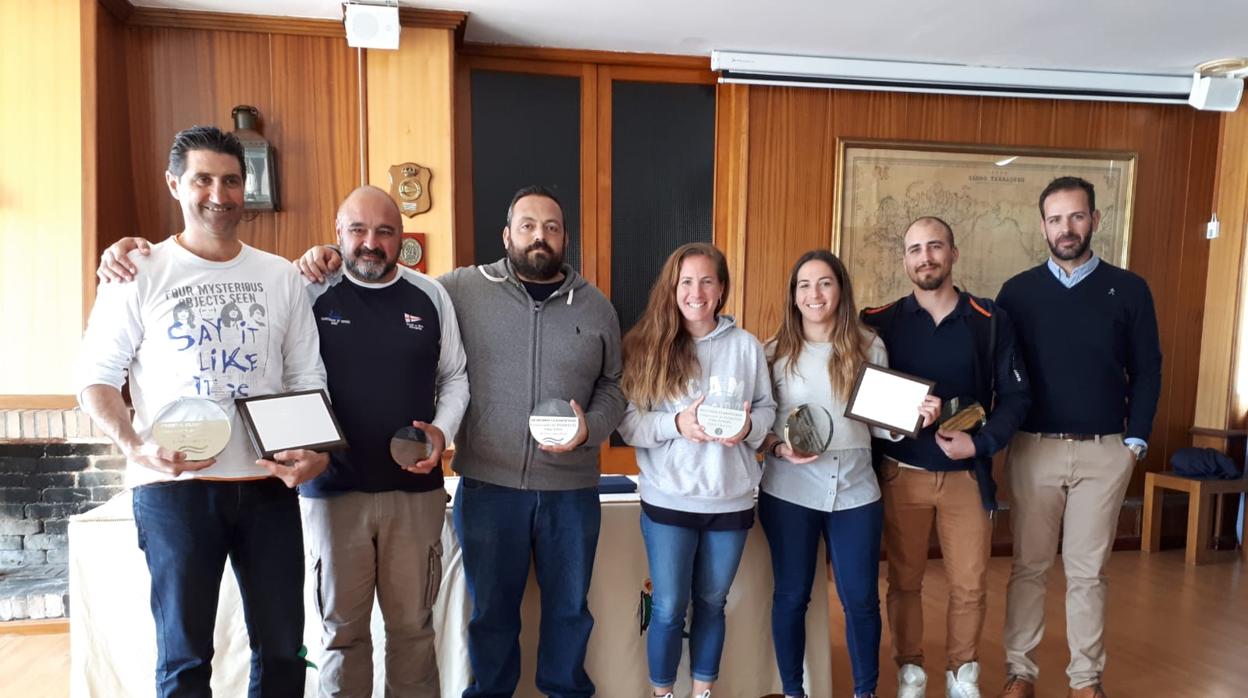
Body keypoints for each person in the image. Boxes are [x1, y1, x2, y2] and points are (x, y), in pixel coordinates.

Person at [96, 184, 471, 697]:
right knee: (341, 635)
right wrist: (124, 248)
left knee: (413, 630)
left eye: (385, 231)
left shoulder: (431, 295)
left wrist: (442, 431)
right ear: (337, 235)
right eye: (357, 230)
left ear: (401, 237)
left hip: (415, 493)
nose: (371, 242)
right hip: (330, 494)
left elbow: (456, 377)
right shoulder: (305, 288)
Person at [297, 184, 626, 698]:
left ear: (565, 239)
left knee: (568, 613)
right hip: (488, 487)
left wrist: (592, 430)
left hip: (571, 491)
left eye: (552, 228)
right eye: (528, 226)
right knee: (491, 616)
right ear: (507, 235)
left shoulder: (596, 305)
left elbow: (614, 387)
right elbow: (375, 271)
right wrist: (325, 256)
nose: (539, 236)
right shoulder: (457, 289)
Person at [77, 125, 329, 697]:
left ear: (247, 188)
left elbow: (306, 377)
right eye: (203, 179)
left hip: (267, 486)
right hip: (174, 489)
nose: (219, 194)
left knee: (285, 652)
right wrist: (133, 444)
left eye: (232, 181)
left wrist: (312, 452)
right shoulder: (136, 271)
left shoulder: (279, 275)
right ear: (175, 184)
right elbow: (95, 379)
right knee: (185, 657)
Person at [994, 177, 1161, 698]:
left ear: (1094, 220)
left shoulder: (1129, 289)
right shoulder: (1017, 293)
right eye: (1056, 218)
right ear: (1042, 225)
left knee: (1089, 573)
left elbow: (1149, 370)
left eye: (1077, 216)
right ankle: (1020, 672)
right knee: (1030, 567)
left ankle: (1085, 679)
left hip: (1104, 452)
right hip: (1033, 449)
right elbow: (1001, 371)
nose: (1066, 228)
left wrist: (1134, 442)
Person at [861, 216, 1029, 698]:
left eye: (935, 247)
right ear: (905, 261)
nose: (925, 257)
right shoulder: (880, 321)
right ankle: (910, 672)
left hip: (966, 476)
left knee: (970, 585)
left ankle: (962, 675)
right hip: (900, 475)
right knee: (904, 581)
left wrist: (980, 442)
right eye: (915, 250)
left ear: (953, 254)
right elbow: (859, 392)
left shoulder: (989, 319)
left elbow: (1017, 399)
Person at [759, 249, 935, 698]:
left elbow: (879, 424)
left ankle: (865, 692)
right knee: (792, 596)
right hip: (789, 492)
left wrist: (911, 417)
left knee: (859, 600)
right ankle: (794, 691)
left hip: (856, 492)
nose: (814, 294)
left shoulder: (868, 344)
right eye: (804, 285)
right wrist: (779, 446)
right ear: (793, 295)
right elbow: (758, 428)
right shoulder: (773, 352)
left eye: (824, 283)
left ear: (840, 290)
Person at [616, 242, 777, 698]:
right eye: (686, 281)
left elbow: (767, 412)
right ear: (672, 287)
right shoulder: (645, 345)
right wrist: (677, 423)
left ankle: (702, 691)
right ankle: (663, 693)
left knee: (712, 603)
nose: (696, 291)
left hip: (730, 500)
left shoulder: (745, 347)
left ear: (721, 288)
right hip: (668, 500)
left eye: (707, 280)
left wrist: (748, 427)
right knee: (668, 607)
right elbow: (628, 424)